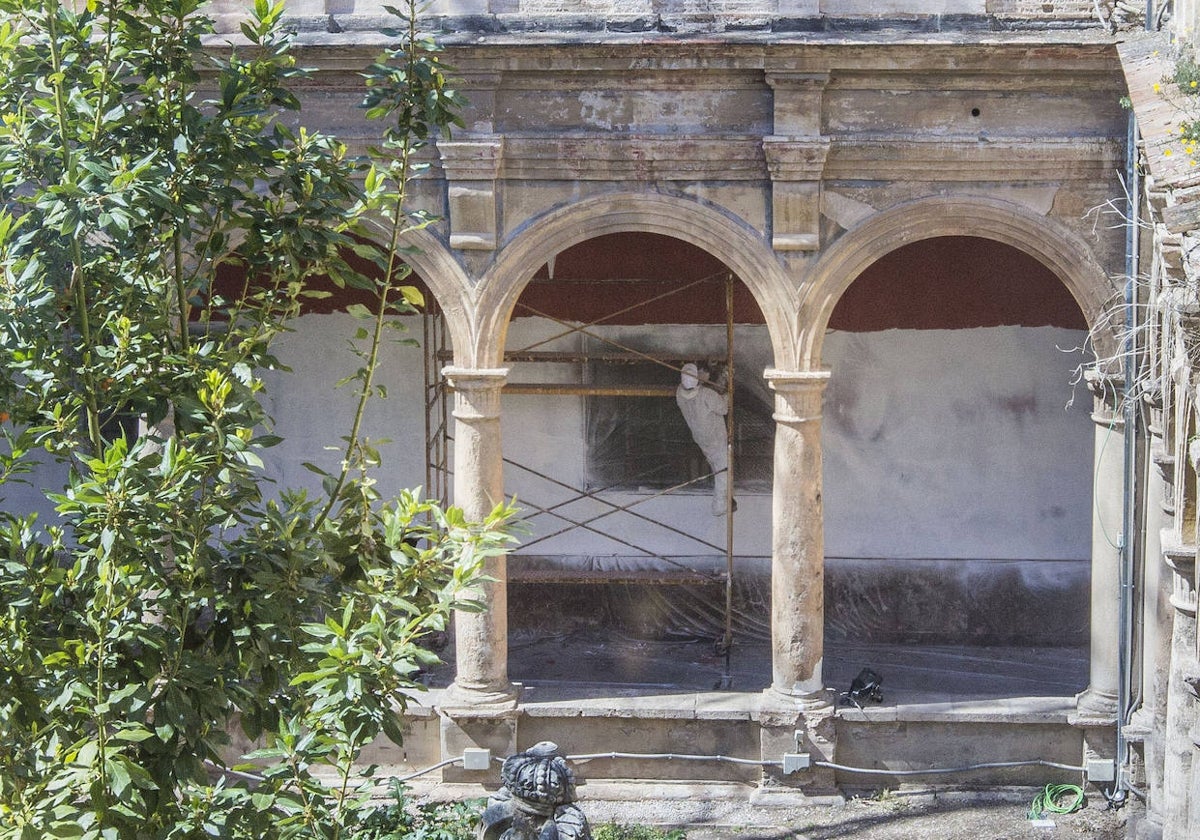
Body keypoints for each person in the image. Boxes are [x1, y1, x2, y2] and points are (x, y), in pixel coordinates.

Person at [676, 362, 733, 515]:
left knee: (716, 465)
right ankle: (720, 505)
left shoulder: (679, 393)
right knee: (723, 468)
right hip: (714, 436)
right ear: (697, 379)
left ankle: (725, 498)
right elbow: (723, 408)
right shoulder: (706, 395)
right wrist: (728, 394)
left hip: (700, 437)